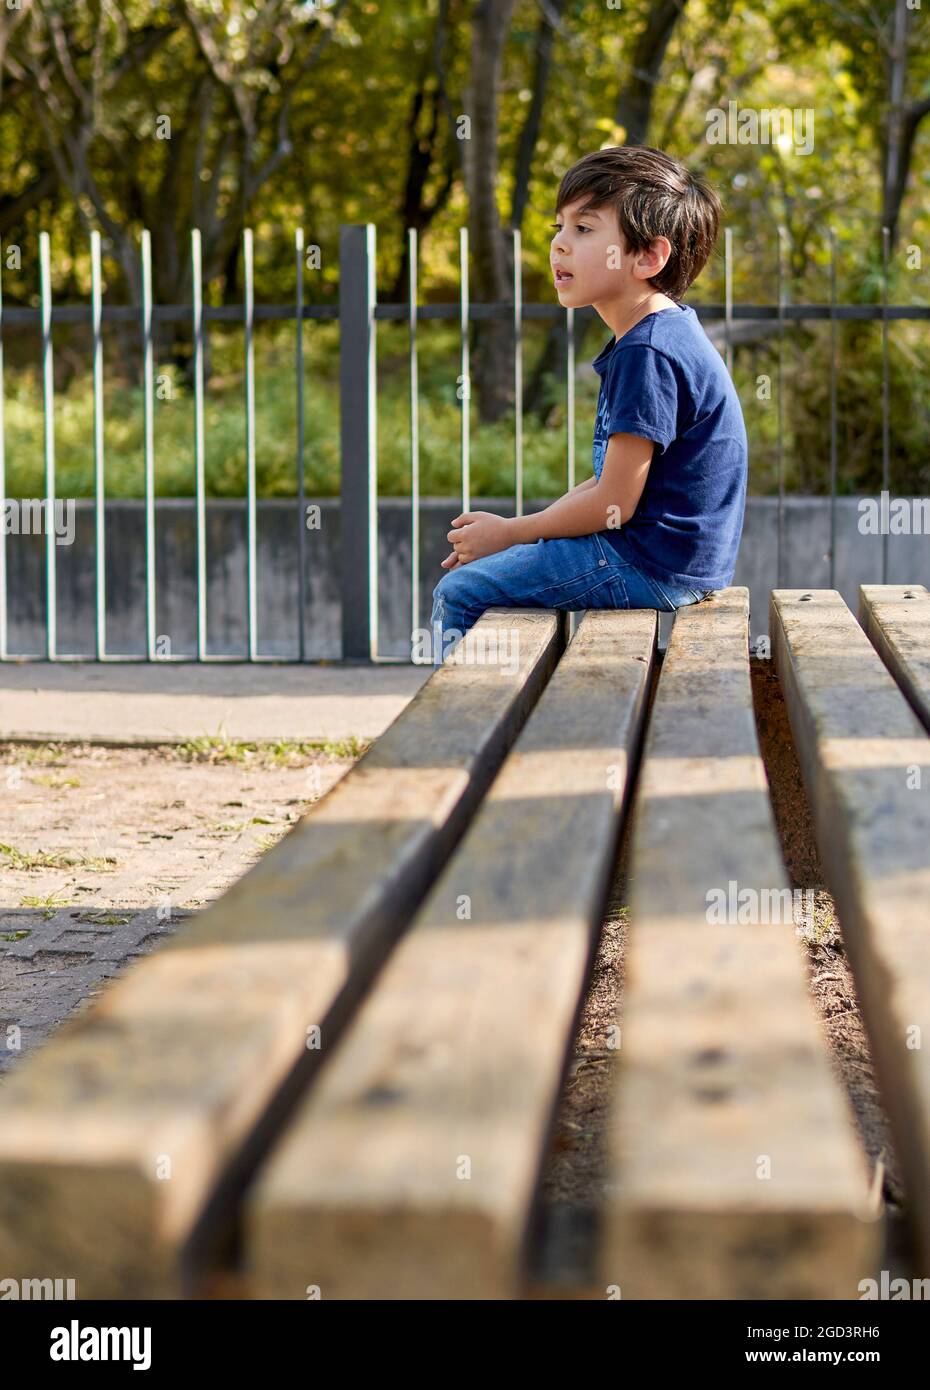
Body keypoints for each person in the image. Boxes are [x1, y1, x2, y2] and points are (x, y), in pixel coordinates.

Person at [429, 144, 748, 666]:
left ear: (648, 257)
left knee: (462, 593)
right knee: (507, 570)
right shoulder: (659, 334)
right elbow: (611, 484)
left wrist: (512, 533)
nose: (559, 245)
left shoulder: (647, 350)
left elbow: (611, 503)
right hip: (673, 562)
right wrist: (523, 534)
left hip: (650, 565)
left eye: (584, 229)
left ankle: (465, 734)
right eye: (559, 227)